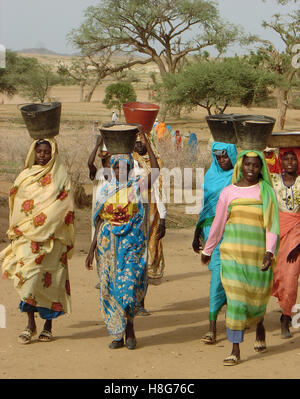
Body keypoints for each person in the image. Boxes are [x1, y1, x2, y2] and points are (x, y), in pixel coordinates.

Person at [201, 151, 280, 366]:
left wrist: (269, 252)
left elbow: (272, 225)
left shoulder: (266, 192)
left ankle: (260, 325)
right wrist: (208, 250)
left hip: (257, 256)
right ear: (241, 167)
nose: (251, 170)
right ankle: (235, 349)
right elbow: (218, 224)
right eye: (247, 165)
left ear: (261, 168)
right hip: (232, 255)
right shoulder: (229, 192)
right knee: (235, 300)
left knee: (256, 298)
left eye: (255, 166)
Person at [85, 130, 160, 350]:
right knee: (109, 288)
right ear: (112, 169)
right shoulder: (105, 189)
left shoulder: (137, 186)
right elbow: (99, 221)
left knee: (127, 287)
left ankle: (130, 326)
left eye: (125, 166)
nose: (121, 170)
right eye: (117, 167)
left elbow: (155, 171)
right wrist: (91, 250)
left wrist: (147, 143)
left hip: (131, 244)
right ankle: (118, 332)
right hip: (107, 245)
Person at [0, 138, 74, 344]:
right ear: (34, 152)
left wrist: (46, 226)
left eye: (46, 152)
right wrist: (23, 227)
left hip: (53, 238)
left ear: (53, 154)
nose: (42, 155)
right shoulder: (25, 176)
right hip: (27, 237)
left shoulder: (60, 177)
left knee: (51, 281)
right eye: (39, 151)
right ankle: (30, 324)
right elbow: (16, 202)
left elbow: (64, 206)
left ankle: (47, 326)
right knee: (28, 278)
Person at [193, 142, 237, 344]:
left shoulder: (241, 178)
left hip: (236, 233)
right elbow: (204, 207)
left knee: (235, 278)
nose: (221, 160)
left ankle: (236, 320)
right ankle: (212, 327)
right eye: (218, 157)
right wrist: (197, 234)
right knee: (216, 279)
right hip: (212, 232)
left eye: (225, 156)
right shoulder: (210, 176)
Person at [133, 134, 167, 314]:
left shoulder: (156, 162)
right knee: (134, 256)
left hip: (151, 214)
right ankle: (131, 301)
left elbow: (160, 190)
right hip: (131, 212)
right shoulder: (129, 160)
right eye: (136, 142)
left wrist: (163, 218)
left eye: (142, 142)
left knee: (146, 257)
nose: (138, 146)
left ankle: (141, 302)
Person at [271, 148, 300, 338]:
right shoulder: (273, 180)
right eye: (286, 158)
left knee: (290, 276)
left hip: (297, 232)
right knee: (278, 274)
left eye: (294, 159)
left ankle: (286, 316)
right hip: (275, 231)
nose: (290, 162)